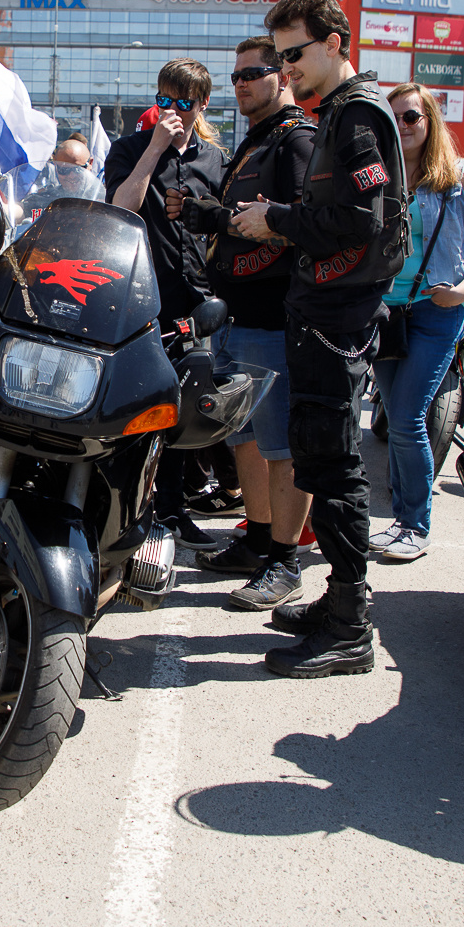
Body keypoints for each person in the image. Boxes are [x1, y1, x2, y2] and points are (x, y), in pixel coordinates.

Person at [230, 0, 408, 679]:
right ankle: (337, 601)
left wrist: (276, 219)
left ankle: (349, 625)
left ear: (335, 42)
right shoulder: (338, 111)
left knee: (334, 469)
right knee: (317, 457)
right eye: (278, 56)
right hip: (325, 313)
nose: (286, 67)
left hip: (339, 318)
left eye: (294, 53)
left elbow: (362, 220)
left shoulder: (357, 114)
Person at [168, 36, 317, 605]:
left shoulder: (296, 138)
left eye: (255, 72)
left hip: (274, 316)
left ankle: (285, 562)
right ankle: (257, 540)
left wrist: (220, 218)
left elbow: (299, 221)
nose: (243, 83)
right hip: (235, 312)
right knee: (248, 439)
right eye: (236, 77)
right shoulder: (255, 141)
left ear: (282, 75)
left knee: (280, 447)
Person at [368, 83, 464, 562]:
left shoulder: (463, 176)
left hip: (437, 310)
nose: (402, 126)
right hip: (385, 312)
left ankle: (413, 525)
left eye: (411, 117)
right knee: (395, 415)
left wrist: (462, 292)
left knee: (406, 418)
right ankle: (402, 520)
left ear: (430, 122)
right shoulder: (380, 175)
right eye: (394, 118)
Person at [106, 58, 229, 549]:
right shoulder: (131, 148)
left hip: (195, 301)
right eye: (164, 101)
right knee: (135, 405)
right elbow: (119, 207)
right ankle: (126, 504)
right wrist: (155, 147)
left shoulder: (217, 160)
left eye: (184, 103)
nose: (173, 111)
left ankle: (175, 508)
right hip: (138, 296)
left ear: (201, 106)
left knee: (181, 410)